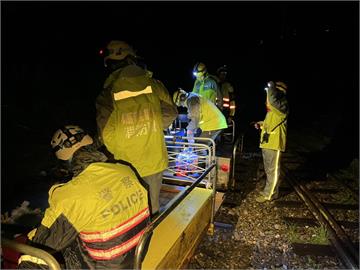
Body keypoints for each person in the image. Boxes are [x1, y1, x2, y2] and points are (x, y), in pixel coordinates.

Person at [18, 125, 151, 269]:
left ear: (65, 162)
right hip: (137, 255)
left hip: (105, 266)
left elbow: (40, 248)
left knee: (62, 240)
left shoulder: (71, 195)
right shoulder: (125, 170)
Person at [96, 40, 178, 216]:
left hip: (126, 166)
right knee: (152, 210)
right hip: (154, 160)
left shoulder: (108, 93)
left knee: (130, 214)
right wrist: (152, 128)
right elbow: (171, 113)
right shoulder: (154, 85)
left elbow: (105, 136)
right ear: (133, 58)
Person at [254, 81, 289, 203]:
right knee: (269, 169)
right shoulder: (273, 111)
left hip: (274, 143)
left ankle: (270, 194)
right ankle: (268, 191)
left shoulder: (282, 106)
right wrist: (261, 124)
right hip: (268, 143)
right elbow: (270, 123)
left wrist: (271, 87)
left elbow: (273, 101)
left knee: (273, 170)